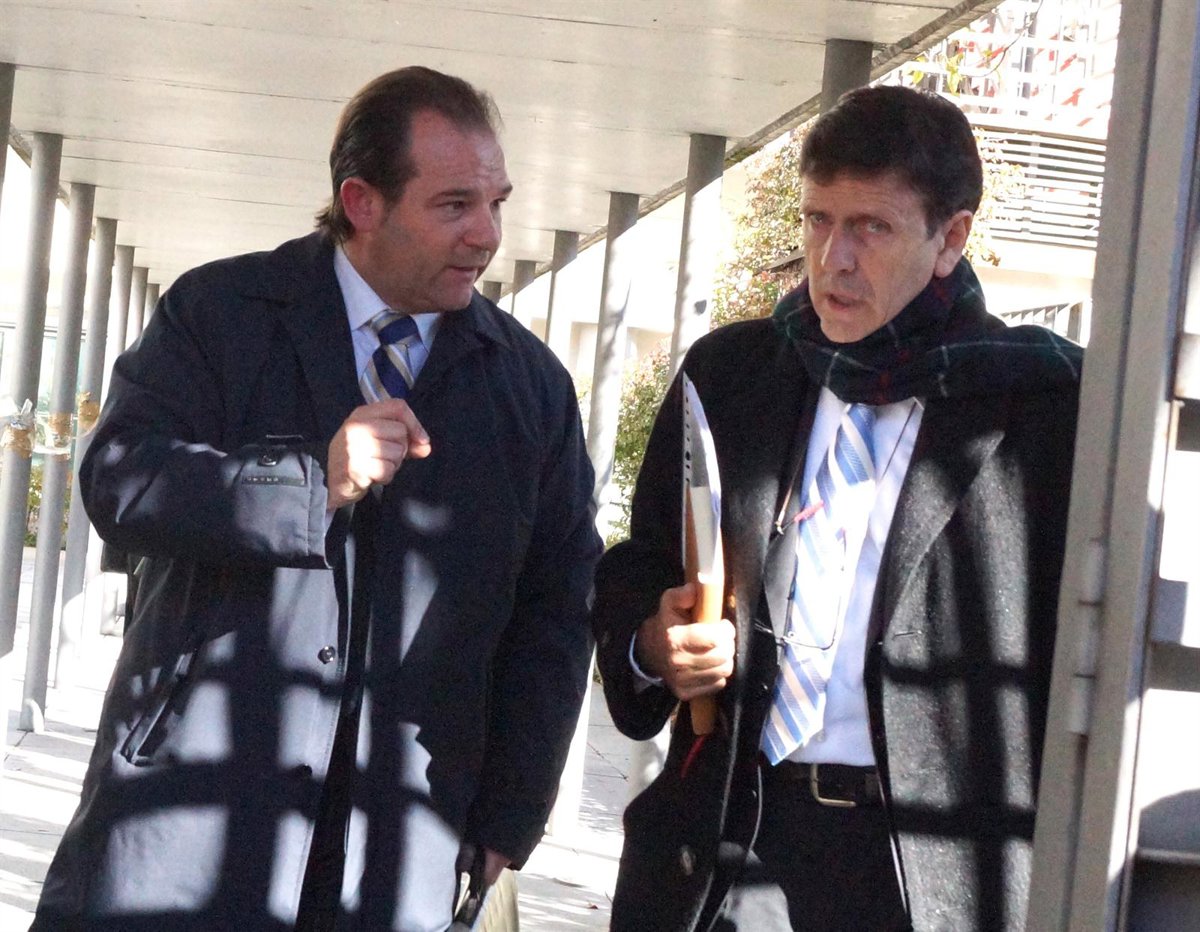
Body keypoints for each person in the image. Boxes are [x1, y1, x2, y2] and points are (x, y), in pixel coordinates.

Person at [33, 66, 601, 932]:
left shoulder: (532, 388)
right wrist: (308, 483)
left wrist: (510, 814)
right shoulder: (220, 313)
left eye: (497, 203)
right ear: (361, 202)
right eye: (454, 205)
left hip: (399, 839)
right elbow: (120, 479)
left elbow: (557, 610)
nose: (486, 234)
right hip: (190, 813)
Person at [592, 85, 1083, 932]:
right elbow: (642, 564)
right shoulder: (731, 376)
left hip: (923, 870)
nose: (833, 259)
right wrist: (652, 644)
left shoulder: (1042, 407)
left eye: (871, 227)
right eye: (818, 220)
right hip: (727, 843)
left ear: (951, 238)